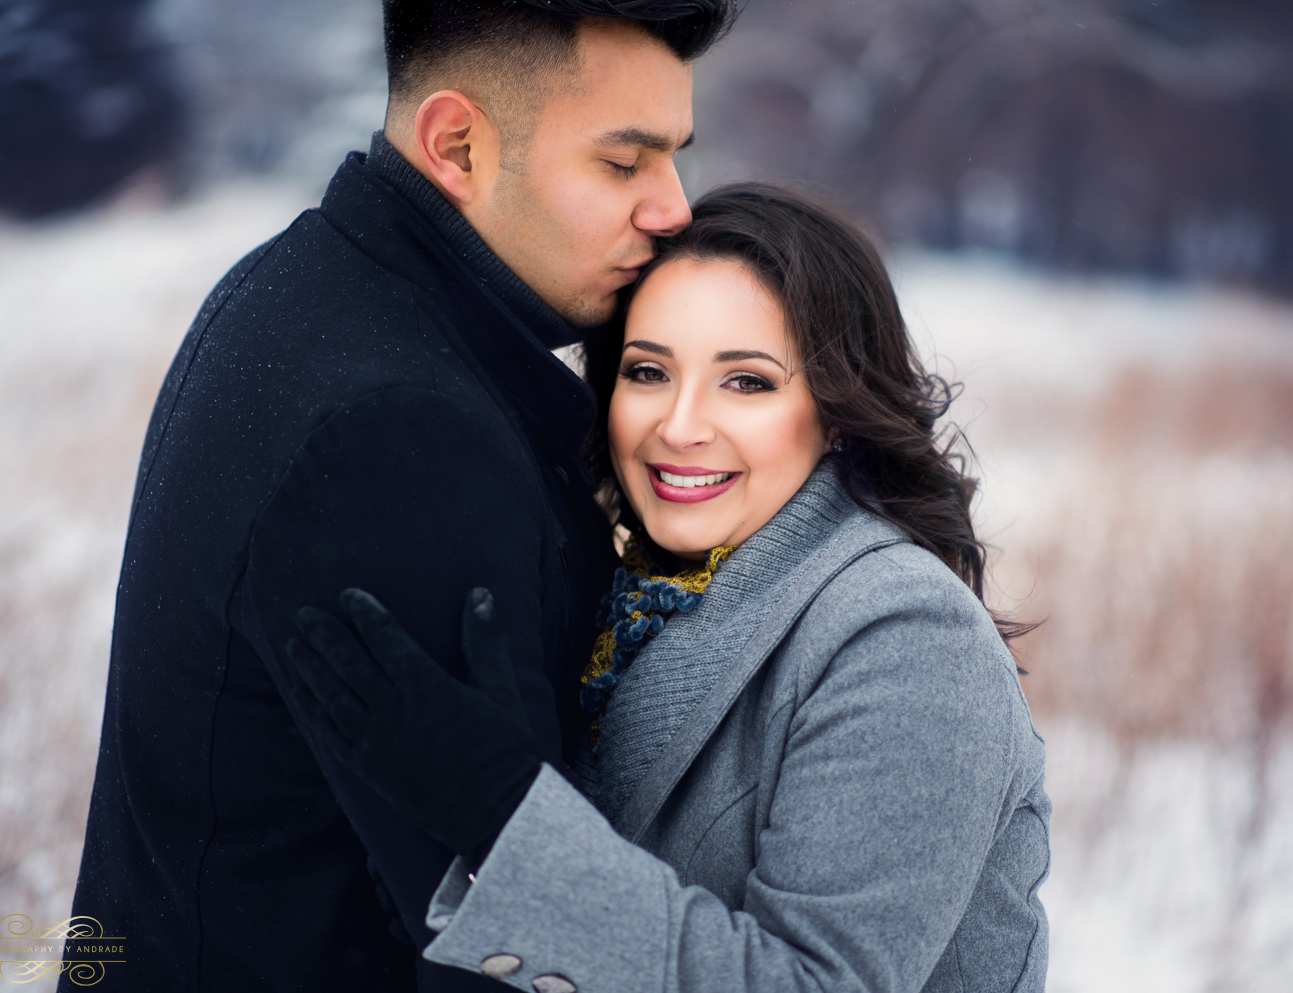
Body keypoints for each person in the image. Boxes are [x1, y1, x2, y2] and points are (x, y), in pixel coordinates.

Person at [65, 0, 737, 990]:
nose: (673, 207)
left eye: (675, 154)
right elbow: (497, 953)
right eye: (623, 161)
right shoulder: (403, 429)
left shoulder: (297, 286)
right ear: (457, 144)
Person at [287, 184, 1052, 993]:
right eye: (648, 371)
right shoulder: (630, 604)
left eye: (747, 382)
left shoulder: (903, 632)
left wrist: (503, 811)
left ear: (835, 413)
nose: (680, 425)